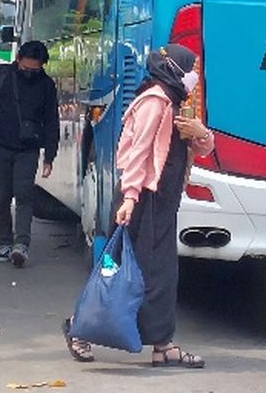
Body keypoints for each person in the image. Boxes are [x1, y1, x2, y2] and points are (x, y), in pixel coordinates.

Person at [61, 44, 213, 368]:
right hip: (142, 200)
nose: (193, 76)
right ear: (173, 69)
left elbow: (197, 148)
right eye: (189, 69)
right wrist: (129, 198)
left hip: (163, 201)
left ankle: (162, 345)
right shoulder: (155, 101)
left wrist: (201, 134)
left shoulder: (175, 103)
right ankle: (79, 327)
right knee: (118, 269)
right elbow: (137, 153)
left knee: (161, 274)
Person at [0, 41, 59, 267]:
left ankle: (21, 245)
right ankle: (5, 243)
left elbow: (52, 121)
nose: (30, 73)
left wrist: (49, 156)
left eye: (36, 70)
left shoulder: (46, 85)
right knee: (3, 195)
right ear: (18, 59)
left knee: (24, 195)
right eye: (26, 68)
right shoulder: (2, 75)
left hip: (28, 149)